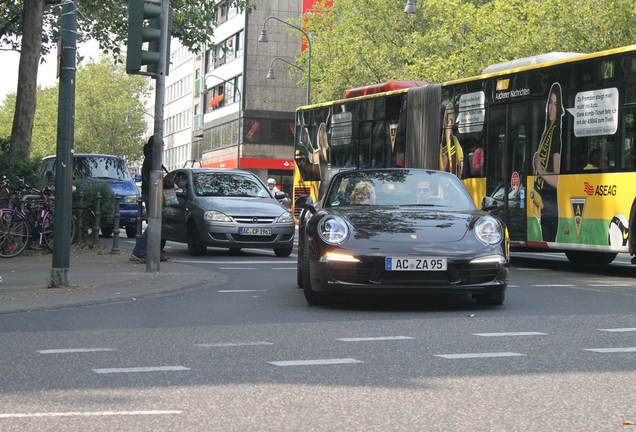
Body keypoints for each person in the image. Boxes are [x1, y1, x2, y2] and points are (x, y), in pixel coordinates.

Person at [130, 136, 178, 263]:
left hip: (149, 192)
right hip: (153, 193)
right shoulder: (153, 158)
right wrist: (171, 185)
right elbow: (158, 176)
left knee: (155, 222)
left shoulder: (149, 156)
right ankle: (139, 251)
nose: (163, 147)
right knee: (155, 223)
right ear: (157, 145)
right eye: (162, 144)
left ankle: (154, 251)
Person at [531, 82, 564, 242]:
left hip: (550, 202)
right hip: (544, 202)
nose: (552, 108)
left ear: (559, 108)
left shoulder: (556, 134)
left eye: (556, 104)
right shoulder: (547, 131)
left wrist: (540, 169)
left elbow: (557, 179)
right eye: (550, 102)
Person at [439, 103, 464, 178]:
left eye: (451, 124)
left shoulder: (455, 140)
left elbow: (461, 160)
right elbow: (441, 168)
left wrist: (459, 175)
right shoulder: (441, 145)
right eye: (448, 124)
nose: (449, 127)